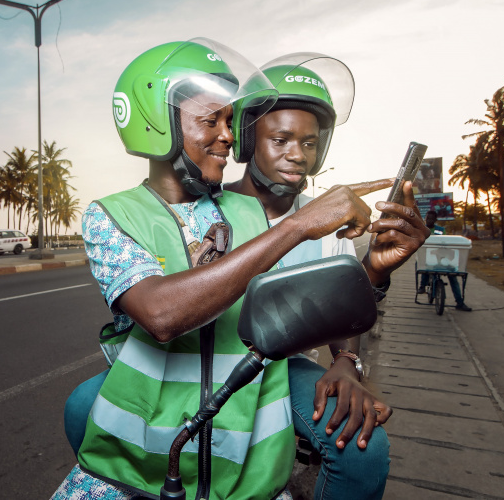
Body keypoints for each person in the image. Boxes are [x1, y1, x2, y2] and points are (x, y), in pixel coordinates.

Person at [54, 39, 394, 500]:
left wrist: (371, 271)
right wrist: (297, 225)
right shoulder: (110, 215)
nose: (229, 136)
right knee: (82, 409)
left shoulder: (252, 208)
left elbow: (314, 298)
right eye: (211, 120)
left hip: (243, 449)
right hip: (136, 459)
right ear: (157, 122)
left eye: (231, 122)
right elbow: (161, 315)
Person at [224, 53, 430, 499]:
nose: (297, 155)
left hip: (282, 368)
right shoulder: (206, 209)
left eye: (310, 142)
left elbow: (340, 314)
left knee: (363, 451)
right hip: (209, 365)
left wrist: (345, 361)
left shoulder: (334, 218)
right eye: (280, 139)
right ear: (246, 138)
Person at [418, 210, 471, 311]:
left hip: (442, 258)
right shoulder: (421, 229)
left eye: (432, 218)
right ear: (425, 218)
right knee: (423, 266)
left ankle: (459, 302)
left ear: (435, 220)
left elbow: (446, 243)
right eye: (427, 218)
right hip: (427, 258)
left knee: (453, 277)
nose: (429, 220)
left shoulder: (441, 230)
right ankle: (422, 286)